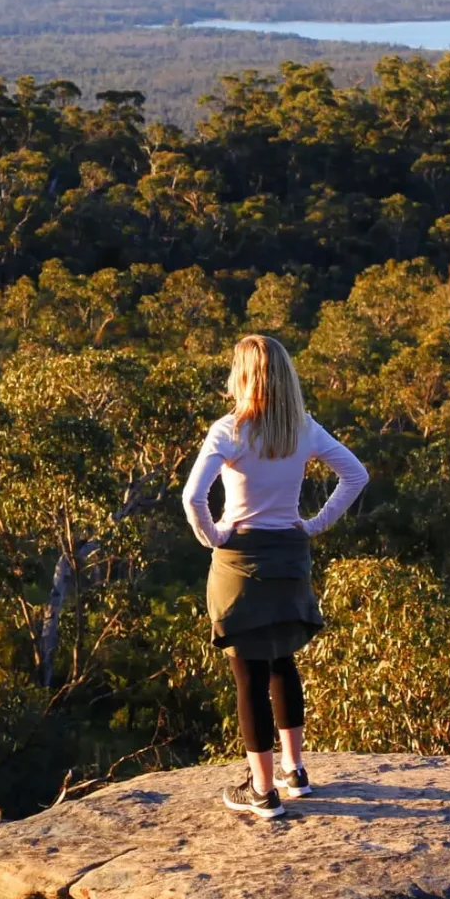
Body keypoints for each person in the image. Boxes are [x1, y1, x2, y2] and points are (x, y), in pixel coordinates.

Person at [182, 333, 367, 819]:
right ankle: (294, 770)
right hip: (290, 554)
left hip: (241, 559)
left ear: (242, 376)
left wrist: (214, 536)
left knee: (249, 673)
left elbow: (191, 498)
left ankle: (261, 792)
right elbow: (356, 475)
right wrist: (314, 525)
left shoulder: (229, 430)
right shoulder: (302, 428)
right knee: (283, 660)